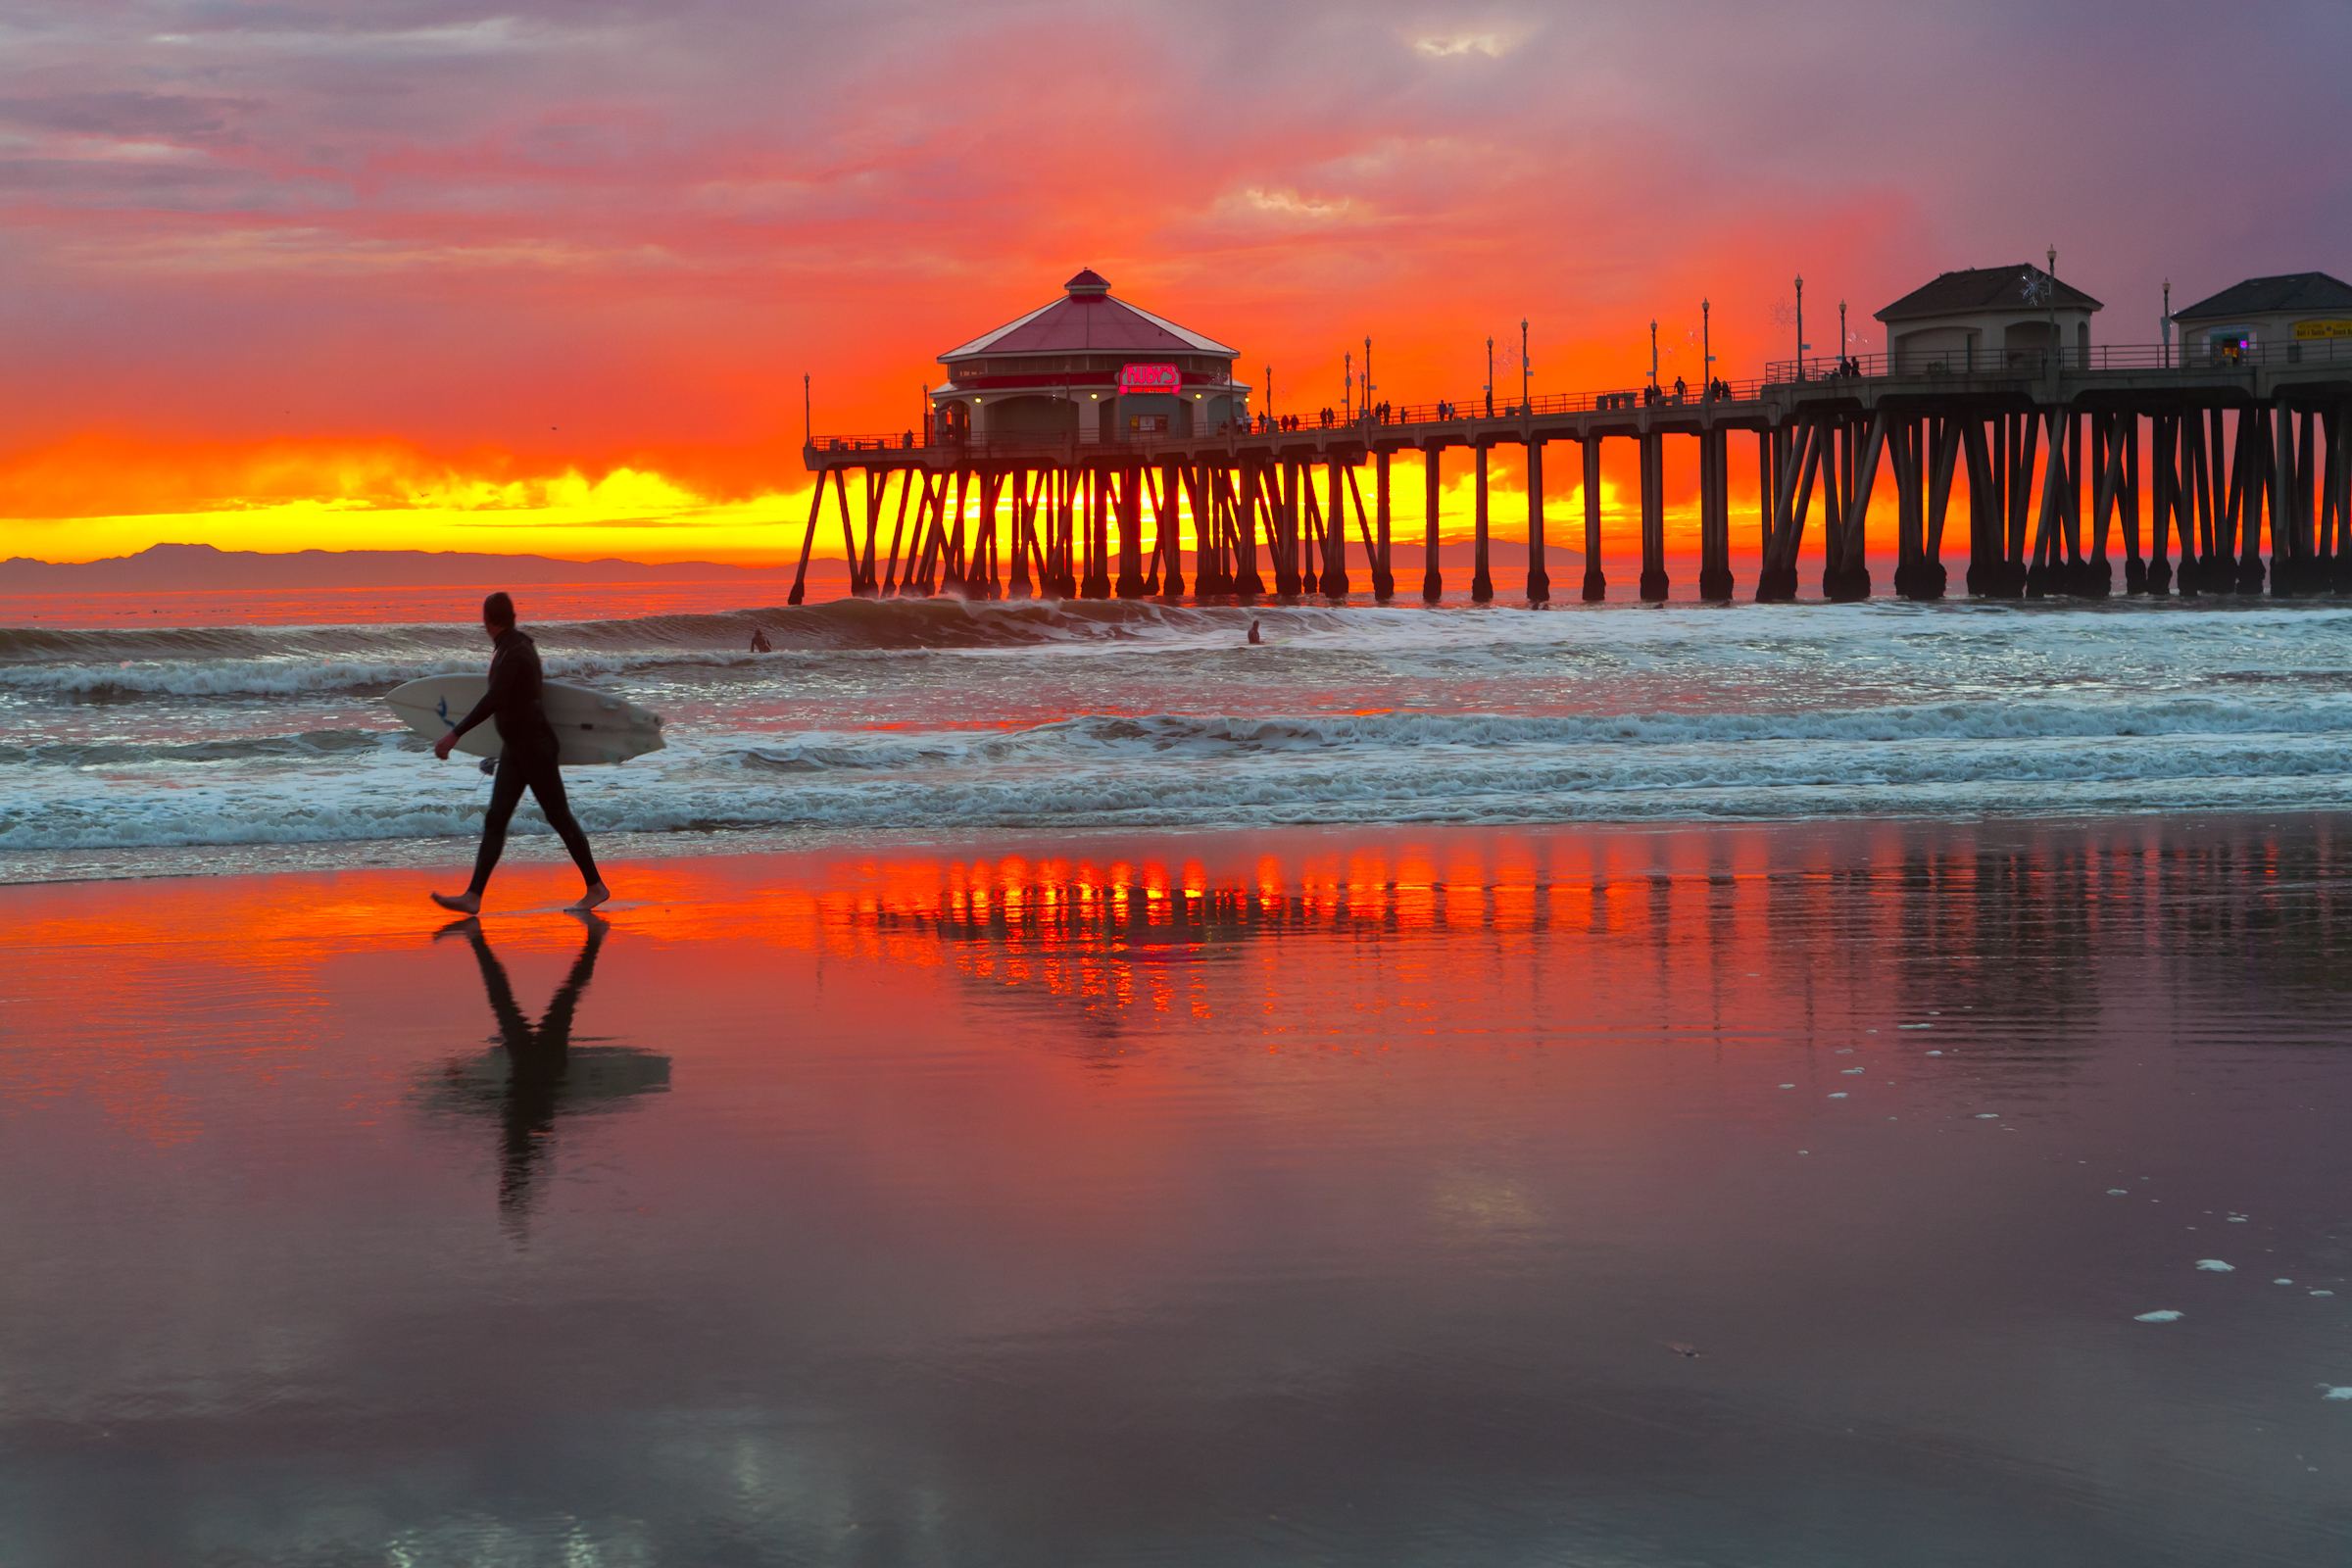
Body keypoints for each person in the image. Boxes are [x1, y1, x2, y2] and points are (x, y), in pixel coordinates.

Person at [430, 591, 609, 914]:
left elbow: (495, 699)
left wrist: (455, 734)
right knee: (496, 819)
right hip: (517, 749)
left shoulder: (514, 652)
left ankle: (595, 886)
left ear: (487, 619)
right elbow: (510, 702)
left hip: (535, 749)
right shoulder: (514, 647)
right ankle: (473, 896)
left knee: (559, 817)